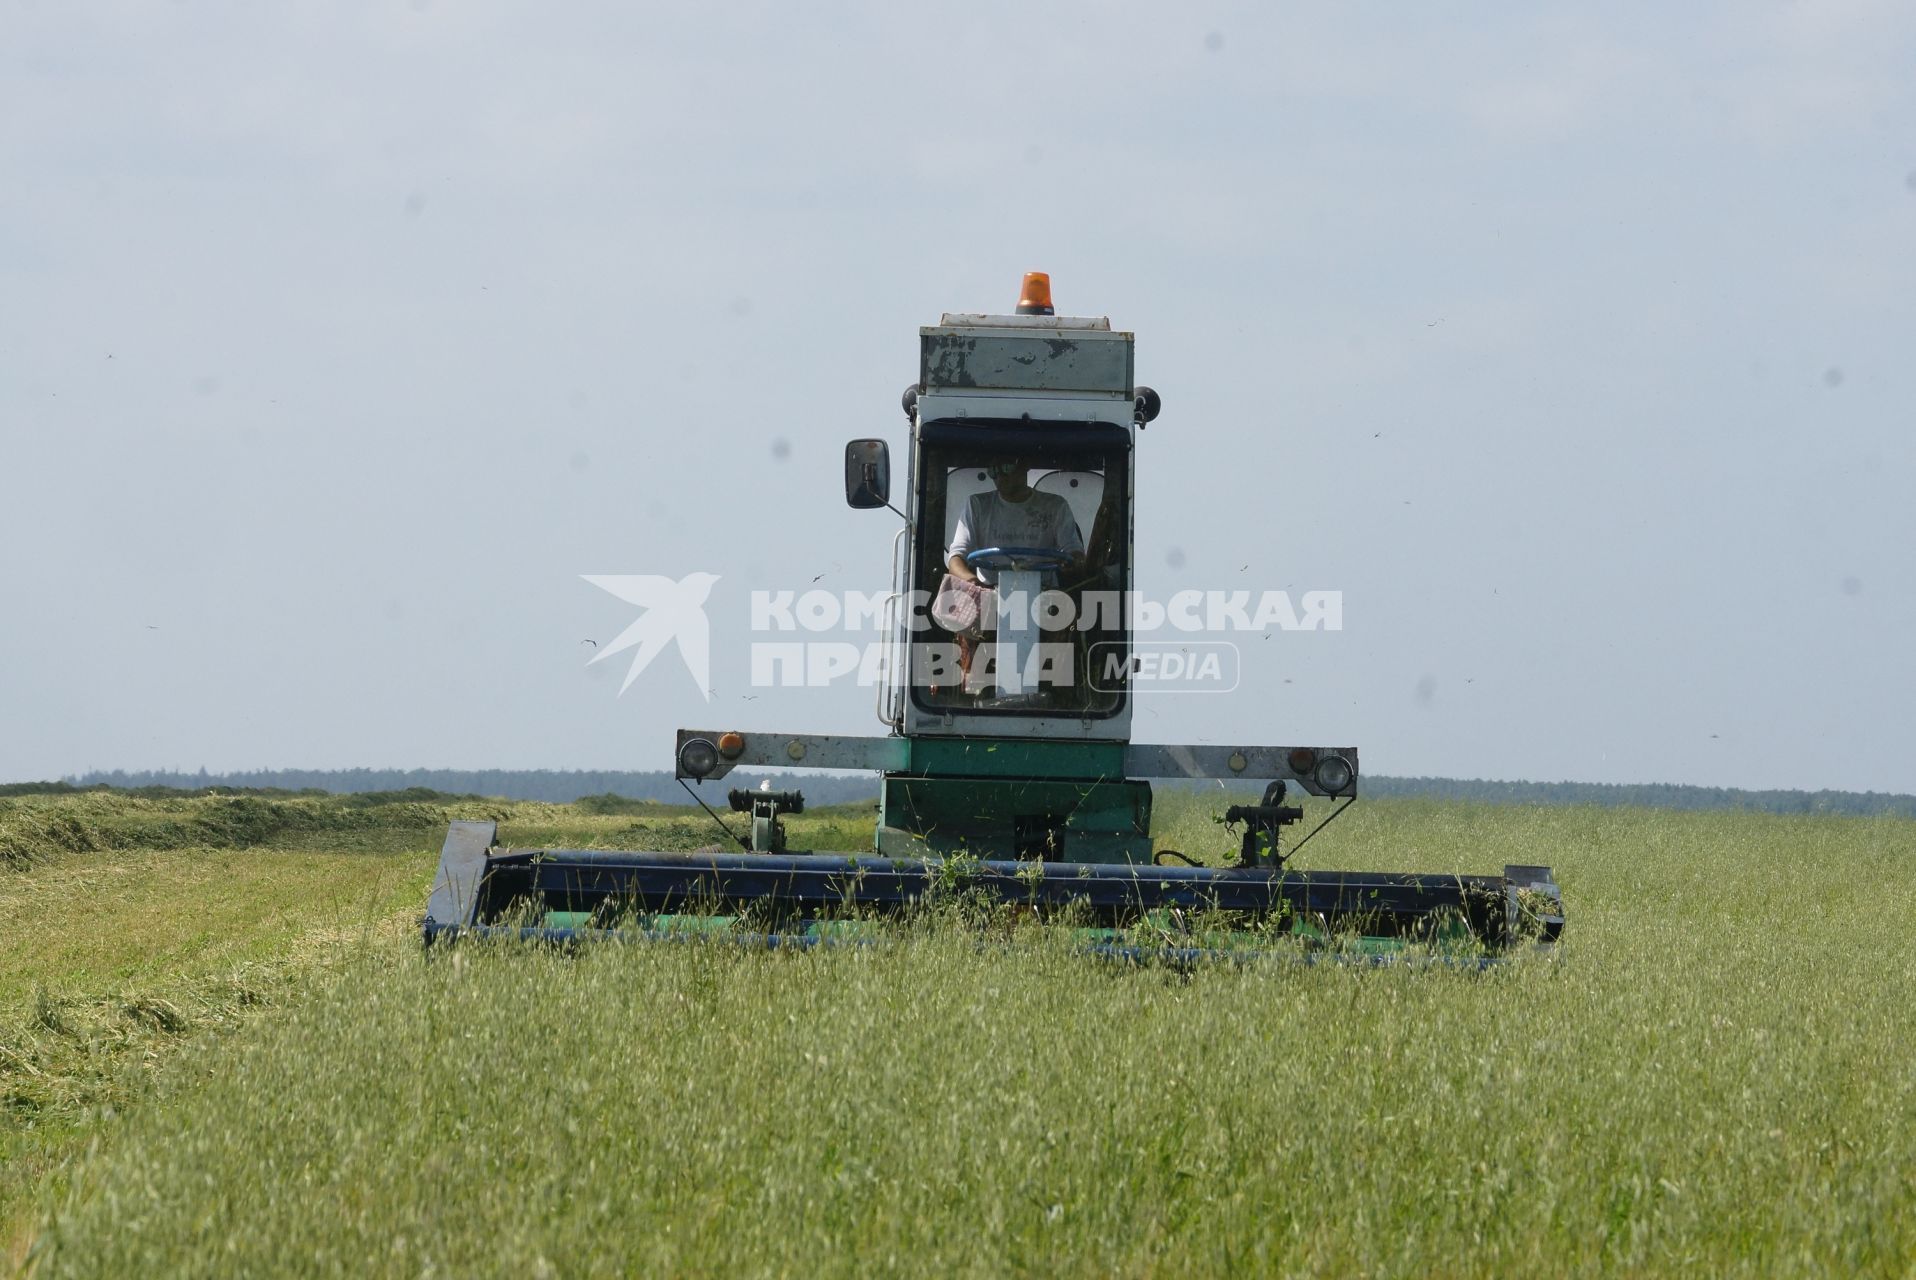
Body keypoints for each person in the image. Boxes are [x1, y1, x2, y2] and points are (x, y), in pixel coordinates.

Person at [946, 459, 1084, 587]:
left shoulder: (1055, 506)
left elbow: (1073, 552)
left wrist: (1071, 563)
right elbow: (956, 558)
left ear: (1025, 465)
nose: (1000, 476)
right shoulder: (977, 505)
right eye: (993, 470)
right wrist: (974, 585)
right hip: (989, 595)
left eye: (1006, 467)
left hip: (1044, 594)